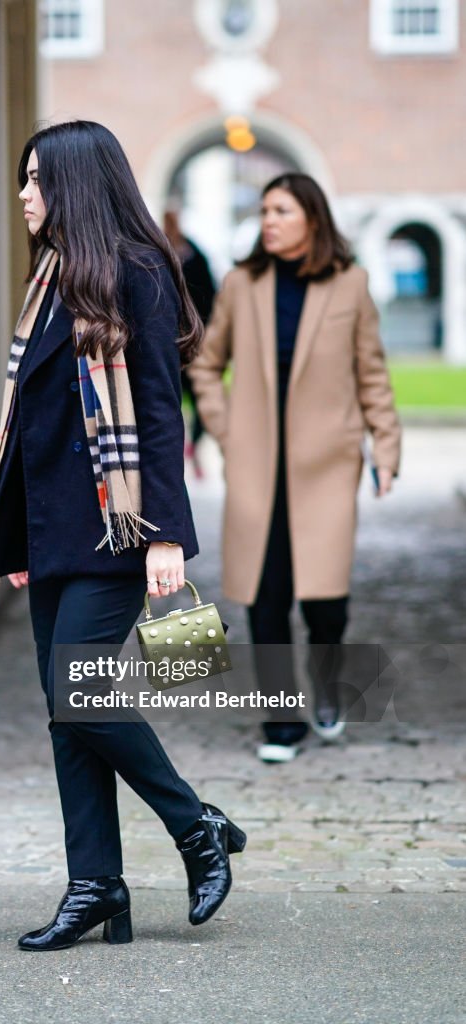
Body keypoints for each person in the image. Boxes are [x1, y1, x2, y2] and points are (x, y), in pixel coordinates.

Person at [0, 121, 247, 951]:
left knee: (80, 695)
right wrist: (12, 541)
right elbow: (33, 423)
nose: (23, 193)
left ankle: (194, 824)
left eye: (35, 179)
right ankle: (95, 885)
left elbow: (160, 410)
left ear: (75, 185)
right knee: (68, 716)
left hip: (117, 528)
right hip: (51, 532)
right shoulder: (53, 276)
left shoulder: (138, 273)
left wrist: (165, 532)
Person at [188, 173, 401, 763]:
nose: (269, 221)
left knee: (325, 599)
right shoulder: (241, 283)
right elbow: (205, 364)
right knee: (265, 595)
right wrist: (226, 431)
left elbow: (372, 375)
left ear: (312, 217)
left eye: (281, 210)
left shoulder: (350, 285)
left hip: (327, 467)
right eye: (264, 211)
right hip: (257, 468)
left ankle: (327, 685)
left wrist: (386, 447)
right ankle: (281, 722)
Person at [163, 207, 216, 477]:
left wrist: (204, 328)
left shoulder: (195, 255)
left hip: (193, 340)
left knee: (198, 397)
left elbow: (210, 293)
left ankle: (193, 446)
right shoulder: (158, 254)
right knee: (170, 399)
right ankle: (181, 449)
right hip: (167, 342)